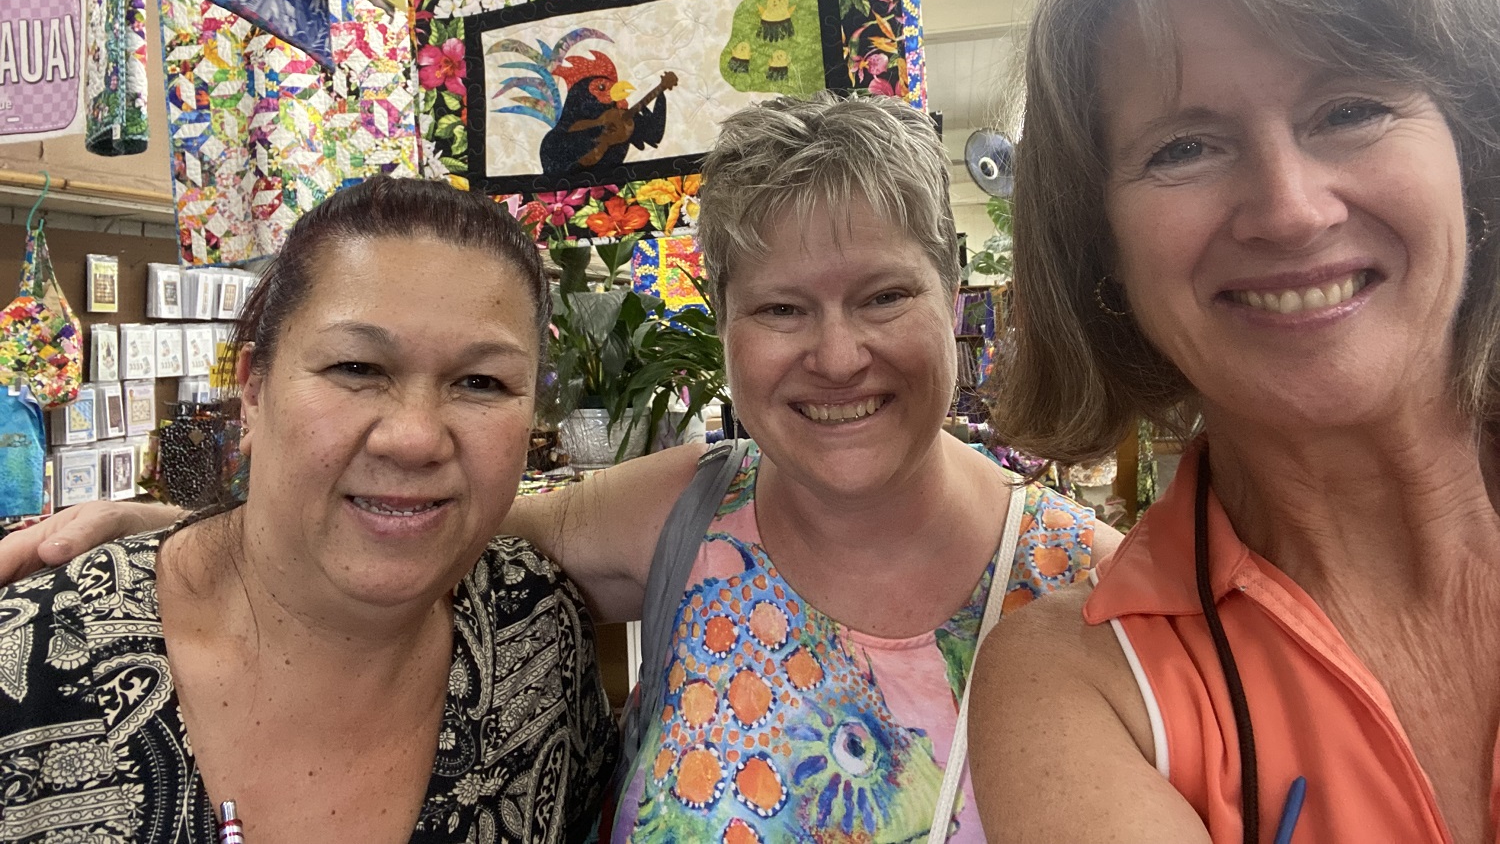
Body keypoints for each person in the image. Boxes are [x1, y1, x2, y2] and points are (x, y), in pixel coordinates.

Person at [2, 95, 1115, 838]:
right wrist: (186, 544)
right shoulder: (686, 514)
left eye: (882, 296)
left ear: (951, 294)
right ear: (725, 330)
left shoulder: (1092, 592)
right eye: (781, 308)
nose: (836, 355)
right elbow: (411, 534)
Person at [967, 0, 1500, 844]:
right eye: (1184, 147)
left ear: (1473, 155)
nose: (1290, 211)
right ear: (1104, 255)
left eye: (1350, 110)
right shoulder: (1086, 689)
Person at [0, 177, 617, 842]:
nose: (413, 437)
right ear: (254, 390)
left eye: (481, 381)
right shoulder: (30, 665)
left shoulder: (535, 633)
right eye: (356, 367)